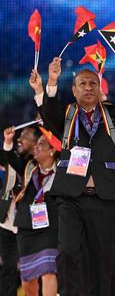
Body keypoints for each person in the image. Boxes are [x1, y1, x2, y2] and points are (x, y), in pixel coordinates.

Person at [33, 57, 115, 296]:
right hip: (70, 197)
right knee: (68, 250)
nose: (88, 88)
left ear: (99, 88)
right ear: (74, 90)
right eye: (83, 84)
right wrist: (52, 81)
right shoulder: (66, 115)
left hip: (105, 197)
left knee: (106, 256)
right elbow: (48, 114)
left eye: (92, 84)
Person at [2, 127, 59, 296]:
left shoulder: (62, 170)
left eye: (41, 144)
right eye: (37, 144)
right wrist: (8, 141)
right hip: (27, 227)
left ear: (52, 150)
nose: (36, 147)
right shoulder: (28, 167)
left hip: (50, 226)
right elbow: (10, 158)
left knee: (48, 270)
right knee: (28, 279)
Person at [0, 125, 37, 295]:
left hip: (32, 224)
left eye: (25, 137)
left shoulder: (37, 164)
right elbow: (10, 158)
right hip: (8, 223)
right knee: (8, 268)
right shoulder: (16, 158)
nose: (19, 140)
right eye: (19, 137)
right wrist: (7, 142)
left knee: (35, 270)